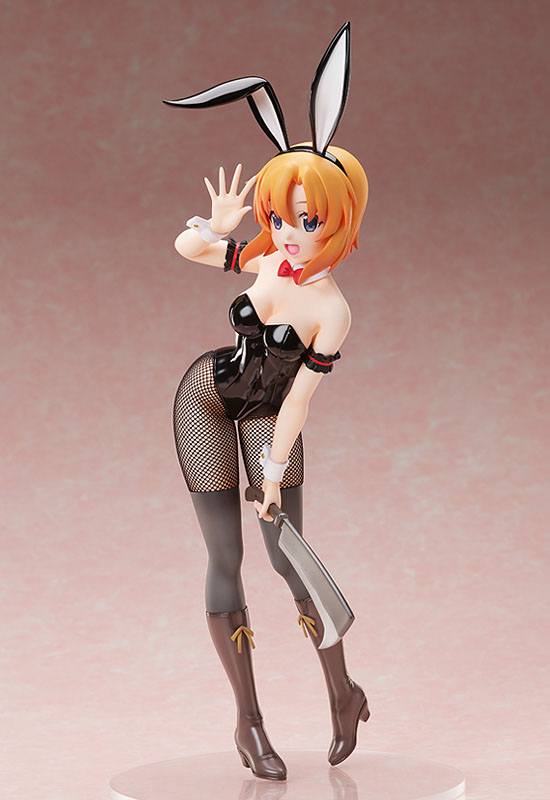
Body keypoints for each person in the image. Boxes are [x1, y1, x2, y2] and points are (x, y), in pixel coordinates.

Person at [166, 22, 370, 781]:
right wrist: (214, 228)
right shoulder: (266, 258)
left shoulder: (331, 310)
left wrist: (275, 472)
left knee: (287, 556)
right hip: (205, 398)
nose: (287, 232)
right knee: (225, 557)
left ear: (340, 219)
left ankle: (343, 692)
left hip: (267, 417)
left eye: (306, 221)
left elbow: (299, 402)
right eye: (279, 216)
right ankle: (247, 722)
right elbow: (191, 251)